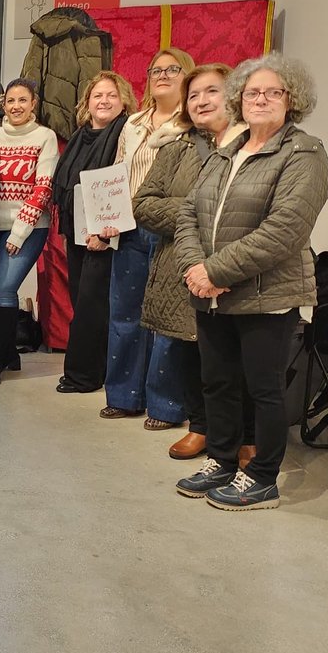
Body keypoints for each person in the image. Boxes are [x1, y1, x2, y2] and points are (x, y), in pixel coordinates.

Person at [176, 54, 328, 511]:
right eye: (251, 92)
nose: (260, 99)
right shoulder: (228, 150)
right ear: (238, 100)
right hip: (210, 292)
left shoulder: (305, 153)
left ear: (292, 99)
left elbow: (285, 229)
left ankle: (263, 476)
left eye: (273, 92)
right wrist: (195, 269)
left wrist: (215, 272)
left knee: (261, 389)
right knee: (218, 382)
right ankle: (222, 460)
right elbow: (189, 212)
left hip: (267, 295)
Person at [133, 63, 254, 462]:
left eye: (212, 92)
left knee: (238, 356)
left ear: (234, 95)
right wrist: (197, 210)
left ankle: (246, 436)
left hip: (234, 267)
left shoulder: (253, 145)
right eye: (194, 94)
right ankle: (201, 427)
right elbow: (144, 203)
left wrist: (205, 215)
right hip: (178, 265)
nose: (201, 101)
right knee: (188, 352)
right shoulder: (175, 147)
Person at [100, 48, 195, 427]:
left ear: (187, 76)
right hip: (129, 226)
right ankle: (124, 396)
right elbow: (118, 174)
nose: (162, 75)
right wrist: (106, 219)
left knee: (166, 318)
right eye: (156, 69)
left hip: (170, 228)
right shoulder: (134, 123)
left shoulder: (194, 126)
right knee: (124, 312)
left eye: (172, 69)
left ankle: (166, 405)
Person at [50, 71, 137, 394]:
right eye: (97, 96)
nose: (104, 101)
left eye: (111, 95)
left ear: (123, 100)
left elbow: (118, 186)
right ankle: (92, 369)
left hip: (106, 234)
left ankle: (83, 376)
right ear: (87, 103)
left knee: (92, 306)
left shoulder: (124, 135)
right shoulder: (80, 136)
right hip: (76, 230)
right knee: (81, 303)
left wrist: (103, 233)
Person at [0, 78, 59, 387]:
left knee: (3, 289)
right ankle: (9, 352)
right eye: (10, 101)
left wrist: (19, 232)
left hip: (30, 227)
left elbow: (43, 188)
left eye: (22, 100)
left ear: (33, 104)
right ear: (3, 105)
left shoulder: (44, 137)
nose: (16, 107)